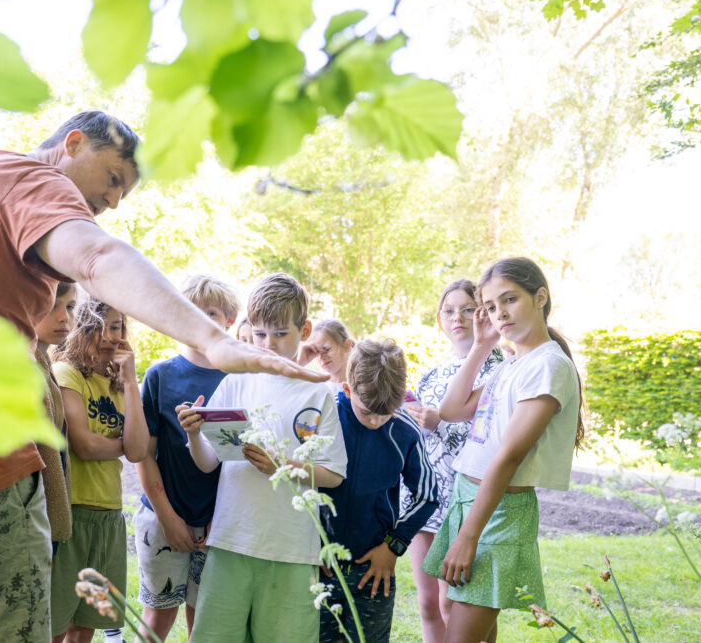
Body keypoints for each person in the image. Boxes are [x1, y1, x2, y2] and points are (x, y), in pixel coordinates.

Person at [0, 110, 325, 643]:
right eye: (114, 178)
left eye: (125, 192)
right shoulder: (32, 182)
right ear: (72, 144)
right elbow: (95, 255)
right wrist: (213, 339)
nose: (113, 202)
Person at [177, 273, 349, 643]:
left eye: (280, 333)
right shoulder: (235, 381)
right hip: (230, 541)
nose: (268, 344)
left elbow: (333, 475)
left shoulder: (318, 393)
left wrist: (283, 467)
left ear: (304, 329)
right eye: (259, 334)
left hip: (291, 550)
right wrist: (194, 434)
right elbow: (208, 462)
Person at [421, 257, 584, 643]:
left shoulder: (548, 366)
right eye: (491, 307)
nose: (500, 314)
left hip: (498, 514)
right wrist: (480, 345)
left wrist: (468, 537)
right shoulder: (511, 363)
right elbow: (451, 410)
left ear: (540, 296)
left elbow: (508, 458)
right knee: (467, 626)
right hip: (469, 501)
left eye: (509, 300)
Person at [132, 274, 239, 642]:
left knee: (204, 621)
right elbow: (144, 455)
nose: (201, 319)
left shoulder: (238, 379)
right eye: (191, 311)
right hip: (163, 516)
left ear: (230, 320)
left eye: (211, 312)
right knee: (158, 618)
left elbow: (235, 459)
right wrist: (169, 518)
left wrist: (221, 518)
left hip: (216, 525)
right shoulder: (160, 376)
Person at [402, 280, 504, 643]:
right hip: (424, 493)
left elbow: (487, 432)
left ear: (482, 314)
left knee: (457, 604)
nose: (456, 317)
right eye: (448, 310)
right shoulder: (433, 371)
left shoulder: (500, 366)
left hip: (463, 497)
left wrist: (437, 420)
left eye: (466, 309)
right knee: (429, 604)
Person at [318, 339, 438, 643]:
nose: (376, 421)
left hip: (373, 568)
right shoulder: (322, 419)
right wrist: (310, 543)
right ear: (347, 390)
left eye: (385, 412)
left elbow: (427, 495)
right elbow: (299, 481)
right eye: (368, 411)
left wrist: (393, 547)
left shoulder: (406, 430)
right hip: (318, 566)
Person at [50, 298, 148, 643]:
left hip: (109, 515)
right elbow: (85, 445)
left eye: (118, 326)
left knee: (87, 624)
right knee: (56, 625)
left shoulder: (120, 382)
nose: (109, 335)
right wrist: (121, 444)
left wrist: (131, 381)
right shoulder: (67, 372)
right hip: (72, 514)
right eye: (99, 326)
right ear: (81, 329)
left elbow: (138, 451)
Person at [33, 281, 78, 546]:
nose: (64, 317)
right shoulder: (26, 366)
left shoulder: (45, 361)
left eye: (70, 306)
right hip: (34, 522)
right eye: (52, 306)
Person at [300, 319, 355, 394]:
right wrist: (300, 363)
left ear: (347, 345)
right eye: (316, 352)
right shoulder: (316, 386)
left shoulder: (363, 383)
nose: (321, 357)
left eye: (327, 349)